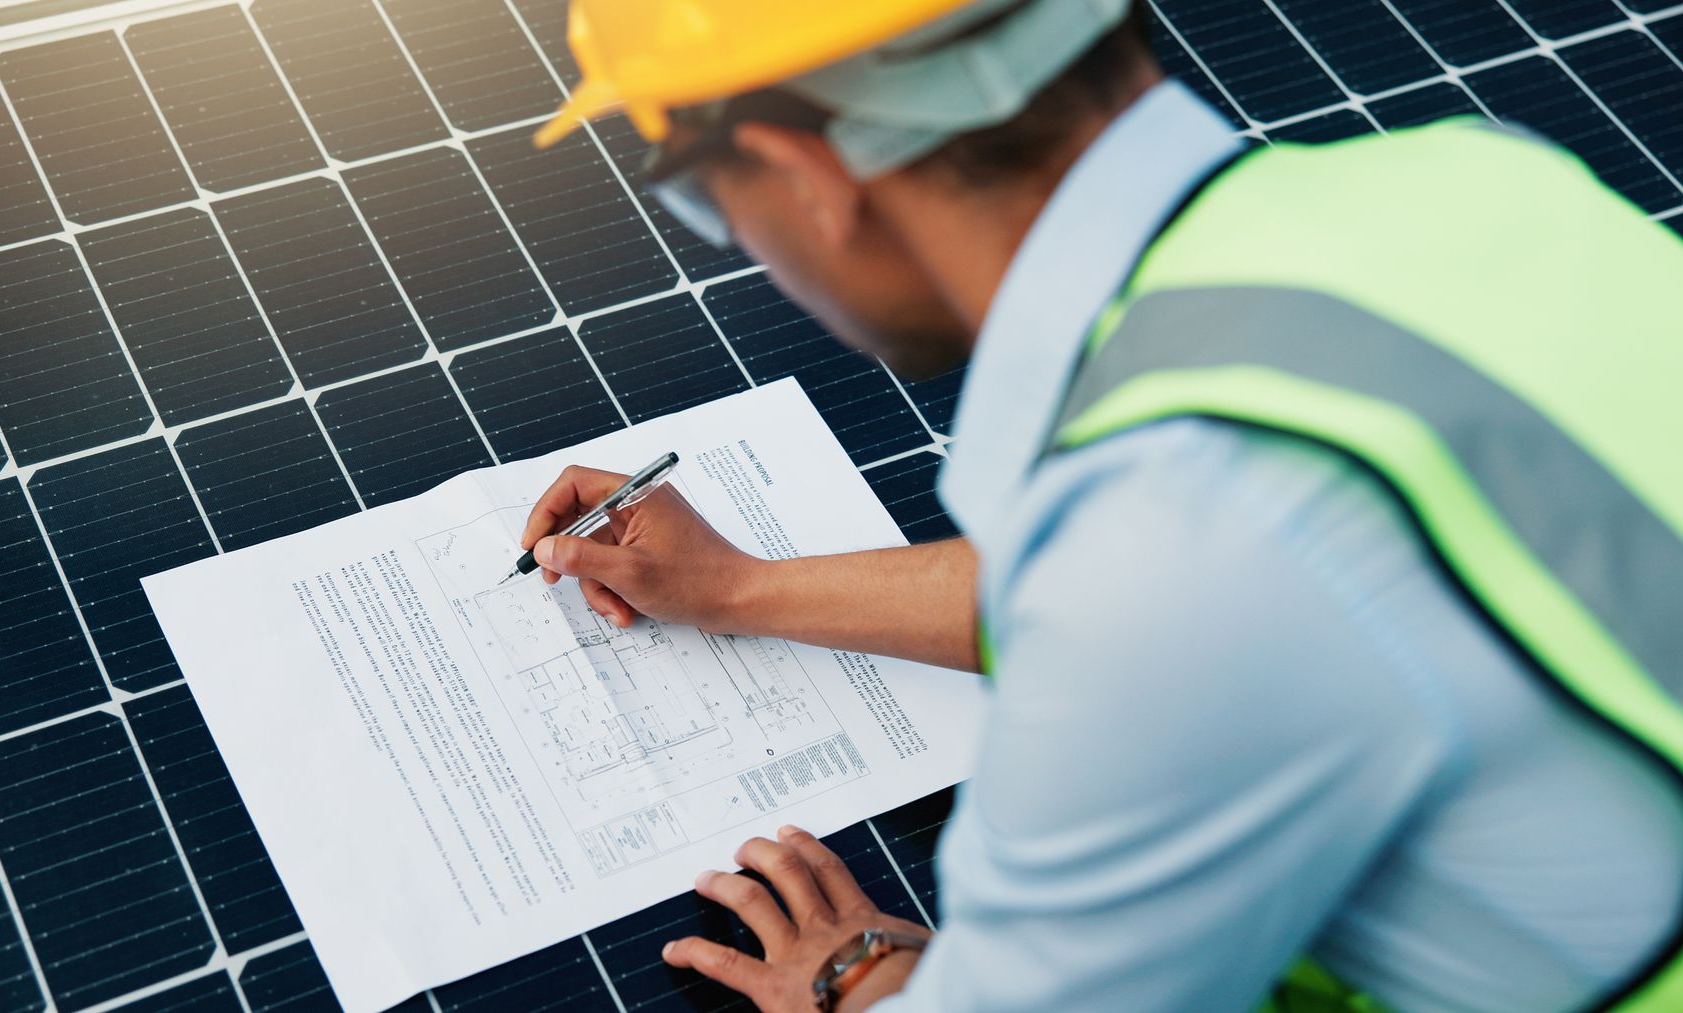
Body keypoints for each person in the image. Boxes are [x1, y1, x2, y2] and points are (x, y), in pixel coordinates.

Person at [519, 1, 1683, 1010]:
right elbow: (1273, 585)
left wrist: (864, 979)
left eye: (709, 206)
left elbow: (1197, 587)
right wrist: (742, 588)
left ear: (807, 174)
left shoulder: (1171, 554)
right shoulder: (1471, 179)